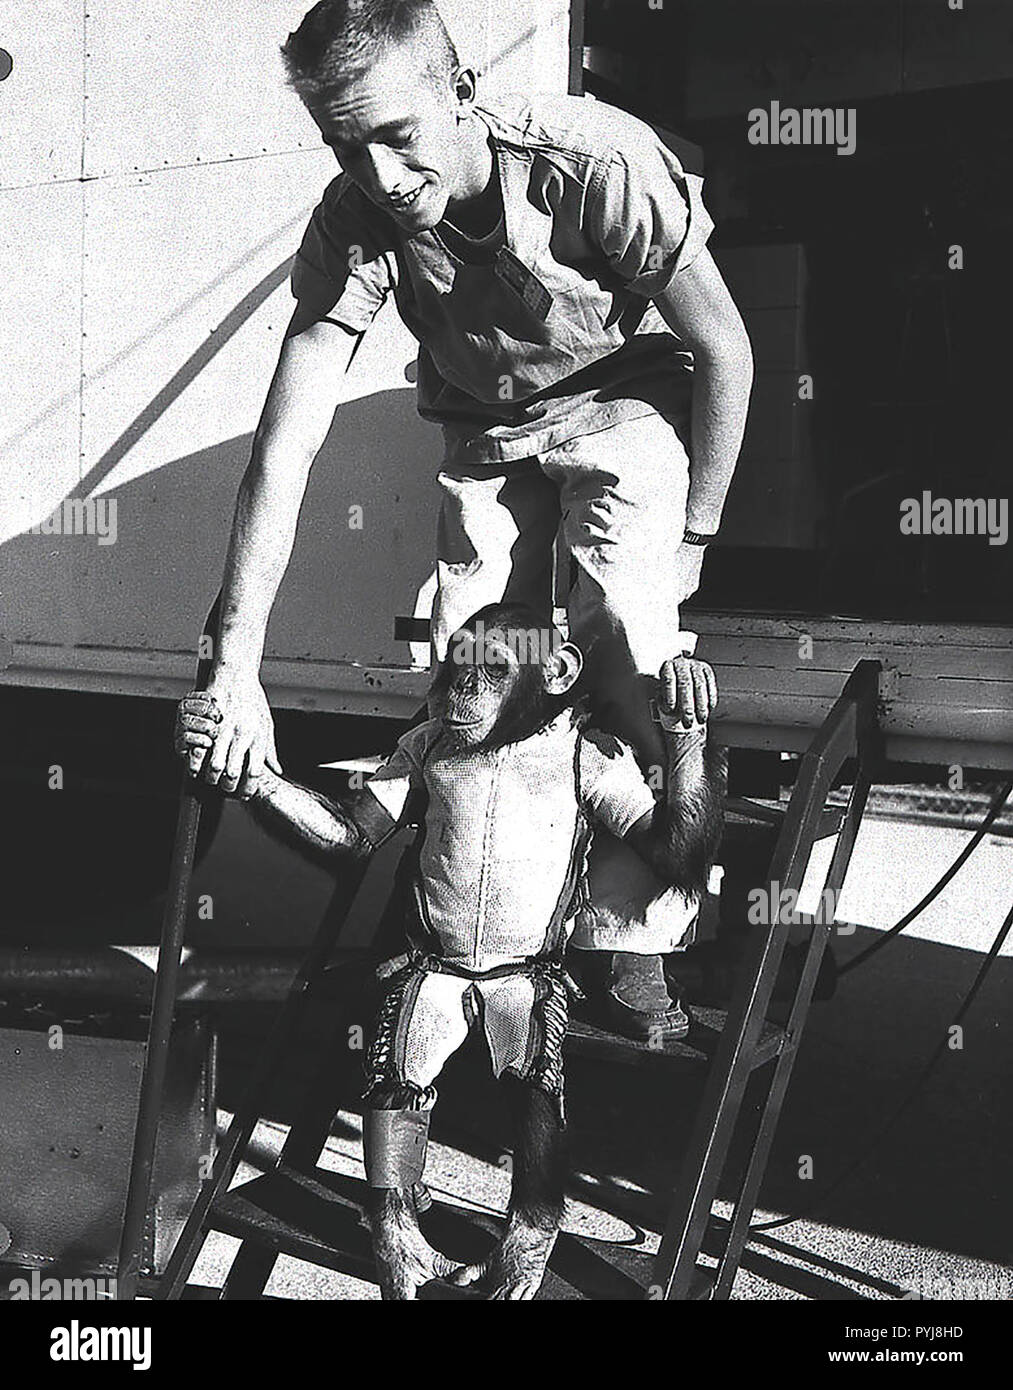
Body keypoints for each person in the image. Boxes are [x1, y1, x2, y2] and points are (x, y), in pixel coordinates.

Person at [191, 0, 753, 1040]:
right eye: (341, 146)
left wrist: (691, 542)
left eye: (397, 139)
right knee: (470, 670)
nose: (378, 177)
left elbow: (726, 351)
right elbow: (287, 441)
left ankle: (639, 943)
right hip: (488, 438)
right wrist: (235, 657)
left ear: (458, 94)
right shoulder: (354, 221)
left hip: (624, 404)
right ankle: (473, 927)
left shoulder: (593, 164)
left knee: (622, 640)